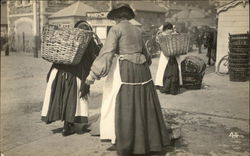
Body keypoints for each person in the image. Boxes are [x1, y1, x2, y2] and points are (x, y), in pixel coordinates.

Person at [82, 3, 171, 155]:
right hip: (143, 71)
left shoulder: (116, 29)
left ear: (116, 17)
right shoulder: (137, 30)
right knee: (143, 101)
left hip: (126, 69)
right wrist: (142, 60)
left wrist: (93, 74)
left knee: (124, 102)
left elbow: (107, 53)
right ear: (127, 16)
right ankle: (149, 140)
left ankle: (128, 142)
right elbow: (147, 55)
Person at [41, 20, 102, 136]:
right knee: (72, 98)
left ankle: (67, 125)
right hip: (76, 73)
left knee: (63, 96)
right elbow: (96, 53)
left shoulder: (67, 39)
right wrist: (97, 41)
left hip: (58, 71)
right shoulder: (87, 40)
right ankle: (67, 126)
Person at [155, 22, 183, 95]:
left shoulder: (174, 34)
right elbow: (158, 41)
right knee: (165, 71)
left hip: (173, 55)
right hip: (165, 55)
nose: (170, 30)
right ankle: (165, 88)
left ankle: (173, 89)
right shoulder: (161, 35)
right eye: (169, 29)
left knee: (174, 71)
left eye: (171, 29)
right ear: (165, 29)